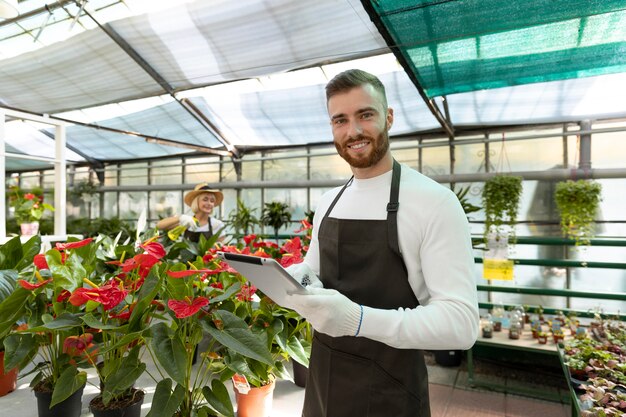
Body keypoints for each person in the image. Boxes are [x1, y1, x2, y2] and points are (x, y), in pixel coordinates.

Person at [283, 69, 479, 417]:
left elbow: (460, 324)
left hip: (390, 389)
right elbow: (314, 271)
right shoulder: (329, 201)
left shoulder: (433, 202)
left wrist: (357, 321)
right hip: (324, 381)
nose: (353, 131)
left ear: (388, 117)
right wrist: (295, 279)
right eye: (340, 120)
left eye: (365, 115)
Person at [156, 183, 225, 242]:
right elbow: (159, 226)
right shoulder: (187, 221)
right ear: (196, 202)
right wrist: (181, 218)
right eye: (205, 199)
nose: (209, 203)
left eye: (212, 201)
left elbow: (220, 250)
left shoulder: (217, 225)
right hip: (186, 258)